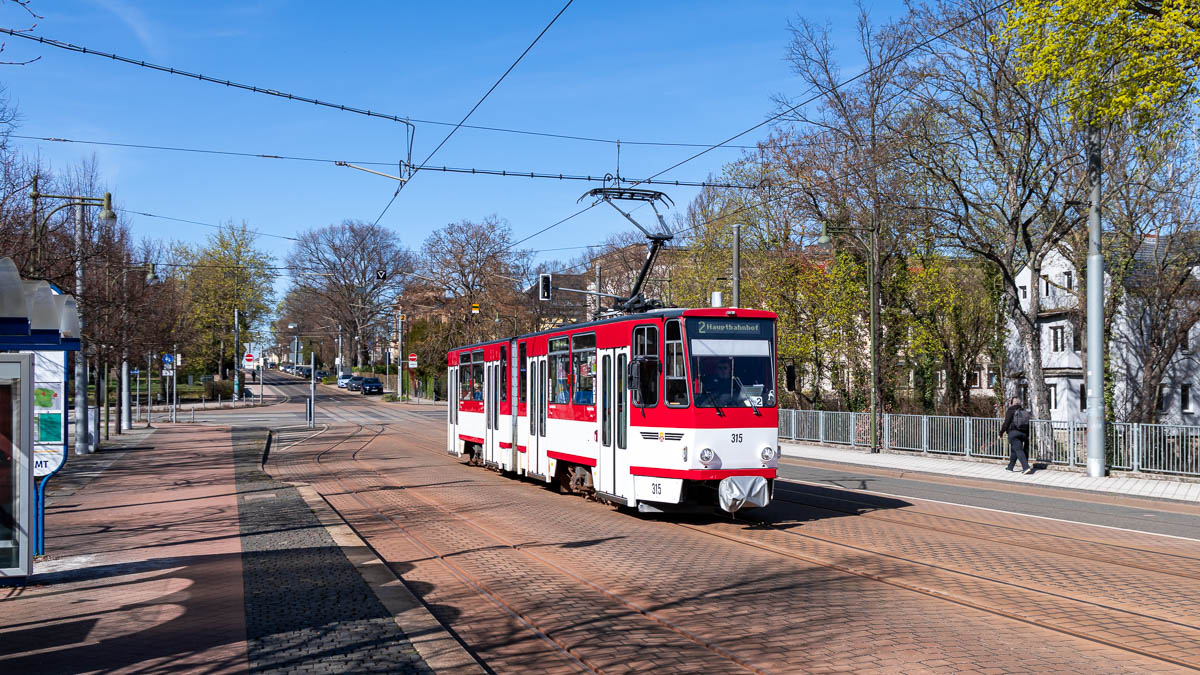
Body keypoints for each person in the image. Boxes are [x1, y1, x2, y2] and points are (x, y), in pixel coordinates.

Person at [999, 397, 1033, 474]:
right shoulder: (1023, 411)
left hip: (1013, 433)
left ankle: (1026, 467)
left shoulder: (1010, 410)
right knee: (1014, 450)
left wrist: (1000, 433)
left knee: (1018, 450)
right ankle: (1010, 467)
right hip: (1023, 433)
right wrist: (1027, 435)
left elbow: (1006, 423)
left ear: (1011, 403)